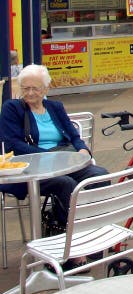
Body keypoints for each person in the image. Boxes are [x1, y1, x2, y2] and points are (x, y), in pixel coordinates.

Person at [0, 64, 109, 231]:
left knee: (99, 175)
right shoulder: (12, 108)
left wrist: (83, 150)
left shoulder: (55, 107)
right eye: (25, 88)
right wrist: (51, 157)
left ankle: (93, 227)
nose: (29, 93)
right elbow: (14, 145)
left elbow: (73, 136)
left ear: (45, 89)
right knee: (66, 184)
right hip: (33, 170)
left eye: (35, 88)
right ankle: (69, 235)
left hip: (64, 162)